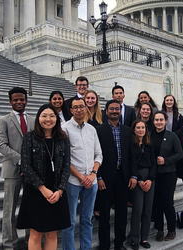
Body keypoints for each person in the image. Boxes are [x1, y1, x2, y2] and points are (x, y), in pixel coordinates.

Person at [17, 104, 71, 250]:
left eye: (52, 116)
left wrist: (60, 191)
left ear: (57, 119)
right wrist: (42, 188)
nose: (48, 119)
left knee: (52, 234)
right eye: (44, 116)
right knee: (35, 233)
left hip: (56, 191)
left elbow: (66, 167)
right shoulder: (30, 137)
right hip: (36, 191)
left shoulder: (63, 139)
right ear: (38, 118)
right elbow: (26, 166)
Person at [0, 87, 35, 250]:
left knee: (30, 207)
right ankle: (9, 244)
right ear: (10, 101)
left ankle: (30, 240)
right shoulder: (3, 120)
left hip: (32, 172)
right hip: (12, 170)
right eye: (15, 100)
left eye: (22, 99)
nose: (19, 102)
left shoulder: (33, 120)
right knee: (9, 209)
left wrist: (30, 164)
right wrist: (21, 161)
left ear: (26, 100)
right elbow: (1, 145)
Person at [62, 97, 103, 250]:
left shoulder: (91, 129)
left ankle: (86, 247)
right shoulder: (64, 128)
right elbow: (64, 158)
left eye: (81, 106)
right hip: (73, 180)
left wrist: (93, 174)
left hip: (91, 182)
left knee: (87, 219)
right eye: (75, 107)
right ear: (71, 110)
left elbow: (98, 154)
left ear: (86, 108)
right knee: (70, 221)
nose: (79, 109)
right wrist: (80, 176)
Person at [95, 99, 132, 250]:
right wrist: (98, 176)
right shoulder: (98, 130)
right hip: (105, 178)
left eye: (117, 109)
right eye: (112, 109)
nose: (115, 111)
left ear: (120, 111)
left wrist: (133, 175)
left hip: (123, 177)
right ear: (106, 111)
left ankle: (119, 244)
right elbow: (95, 154)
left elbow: (131, 155)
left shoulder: (127, 131)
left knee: (121, 214)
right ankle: (104, 245)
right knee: (104, 214)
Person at [150, 111, 183, 242]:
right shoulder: (149, 135)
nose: (158, 122)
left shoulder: (172, 136)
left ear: (165, 121)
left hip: (168, 173)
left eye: (161, 120)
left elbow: (179, 154)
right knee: (156, 203)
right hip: (154, 174)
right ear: (153, 122)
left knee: (168, 203)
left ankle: (171, 229)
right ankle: (159, 229)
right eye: (156, 120)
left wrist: (166, 160)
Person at [128, 120, 157, 250]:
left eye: (143, 127)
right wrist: (139, 180)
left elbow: (153, 163)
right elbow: (131, 163)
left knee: (147, 209)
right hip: (137, 179)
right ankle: (134, 238)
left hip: (149, 179)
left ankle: (144, 238)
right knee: (138, 209)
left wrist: (150, 179)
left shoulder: (149, 144)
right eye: (138, 127)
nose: (140, 130)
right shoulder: (131, 144)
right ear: (134, 129)